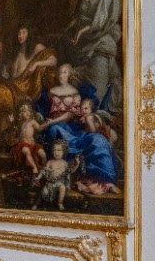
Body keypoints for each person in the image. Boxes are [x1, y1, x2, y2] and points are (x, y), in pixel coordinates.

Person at [39, 63, 121, 193]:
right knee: (54, 129)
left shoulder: (76, 93)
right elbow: (43, 111)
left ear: (70, 75)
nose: (61, 75)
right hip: (58, 126)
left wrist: (52, 122)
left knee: (98, 140)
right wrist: (46, 122)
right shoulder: (50, 91)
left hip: (73, 128)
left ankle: (106, 180)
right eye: (60, 72)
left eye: (65, 72)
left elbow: (71, 115)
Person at [0, 25, 57, 139]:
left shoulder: (36, 47)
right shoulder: (16, 50)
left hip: (22, 91)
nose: (20, 36)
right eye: (19, 33)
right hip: (10, 86)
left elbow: (53, 61)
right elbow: (6, 74)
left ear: (29, 34)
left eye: (23, 32)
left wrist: (37, 64)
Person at [60, 0, 122, 107]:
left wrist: (83, 30)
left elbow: (102, 20)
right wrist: (68, 30)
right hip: (81, 45)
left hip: (99, 40)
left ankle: (98, 110)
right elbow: (78, 18)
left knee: (98, 87)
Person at [33, 140, 77, 210]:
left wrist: (76, 165)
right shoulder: (50, 162)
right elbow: (43, 171)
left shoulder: (64, 163)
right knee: (42, 192)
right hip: (49, 183)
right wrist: (38, 177)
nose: (56, 152)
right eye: (54, 150)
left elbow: (69, 172)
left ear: (64, 151)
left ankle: (60, 203)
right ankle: (36, 204)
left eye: (59, 150)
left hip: (59, 182)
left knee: (62, 187)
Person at [9, 100, 47, 174]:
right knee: (26, 151)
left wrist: (46, 124)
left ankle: (44, 168)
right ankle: (34, 167)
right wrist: (12, 122)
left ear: (31, 112)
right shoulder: (20, 124)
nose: (27, 113)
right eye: (24, 111)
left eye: (28, 111)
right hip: (23, 145)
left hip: (33, 145)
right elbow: (15, 132)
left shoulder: (32, 121)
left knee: (43, 154)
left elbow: (39, 128)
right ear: (21, 114)